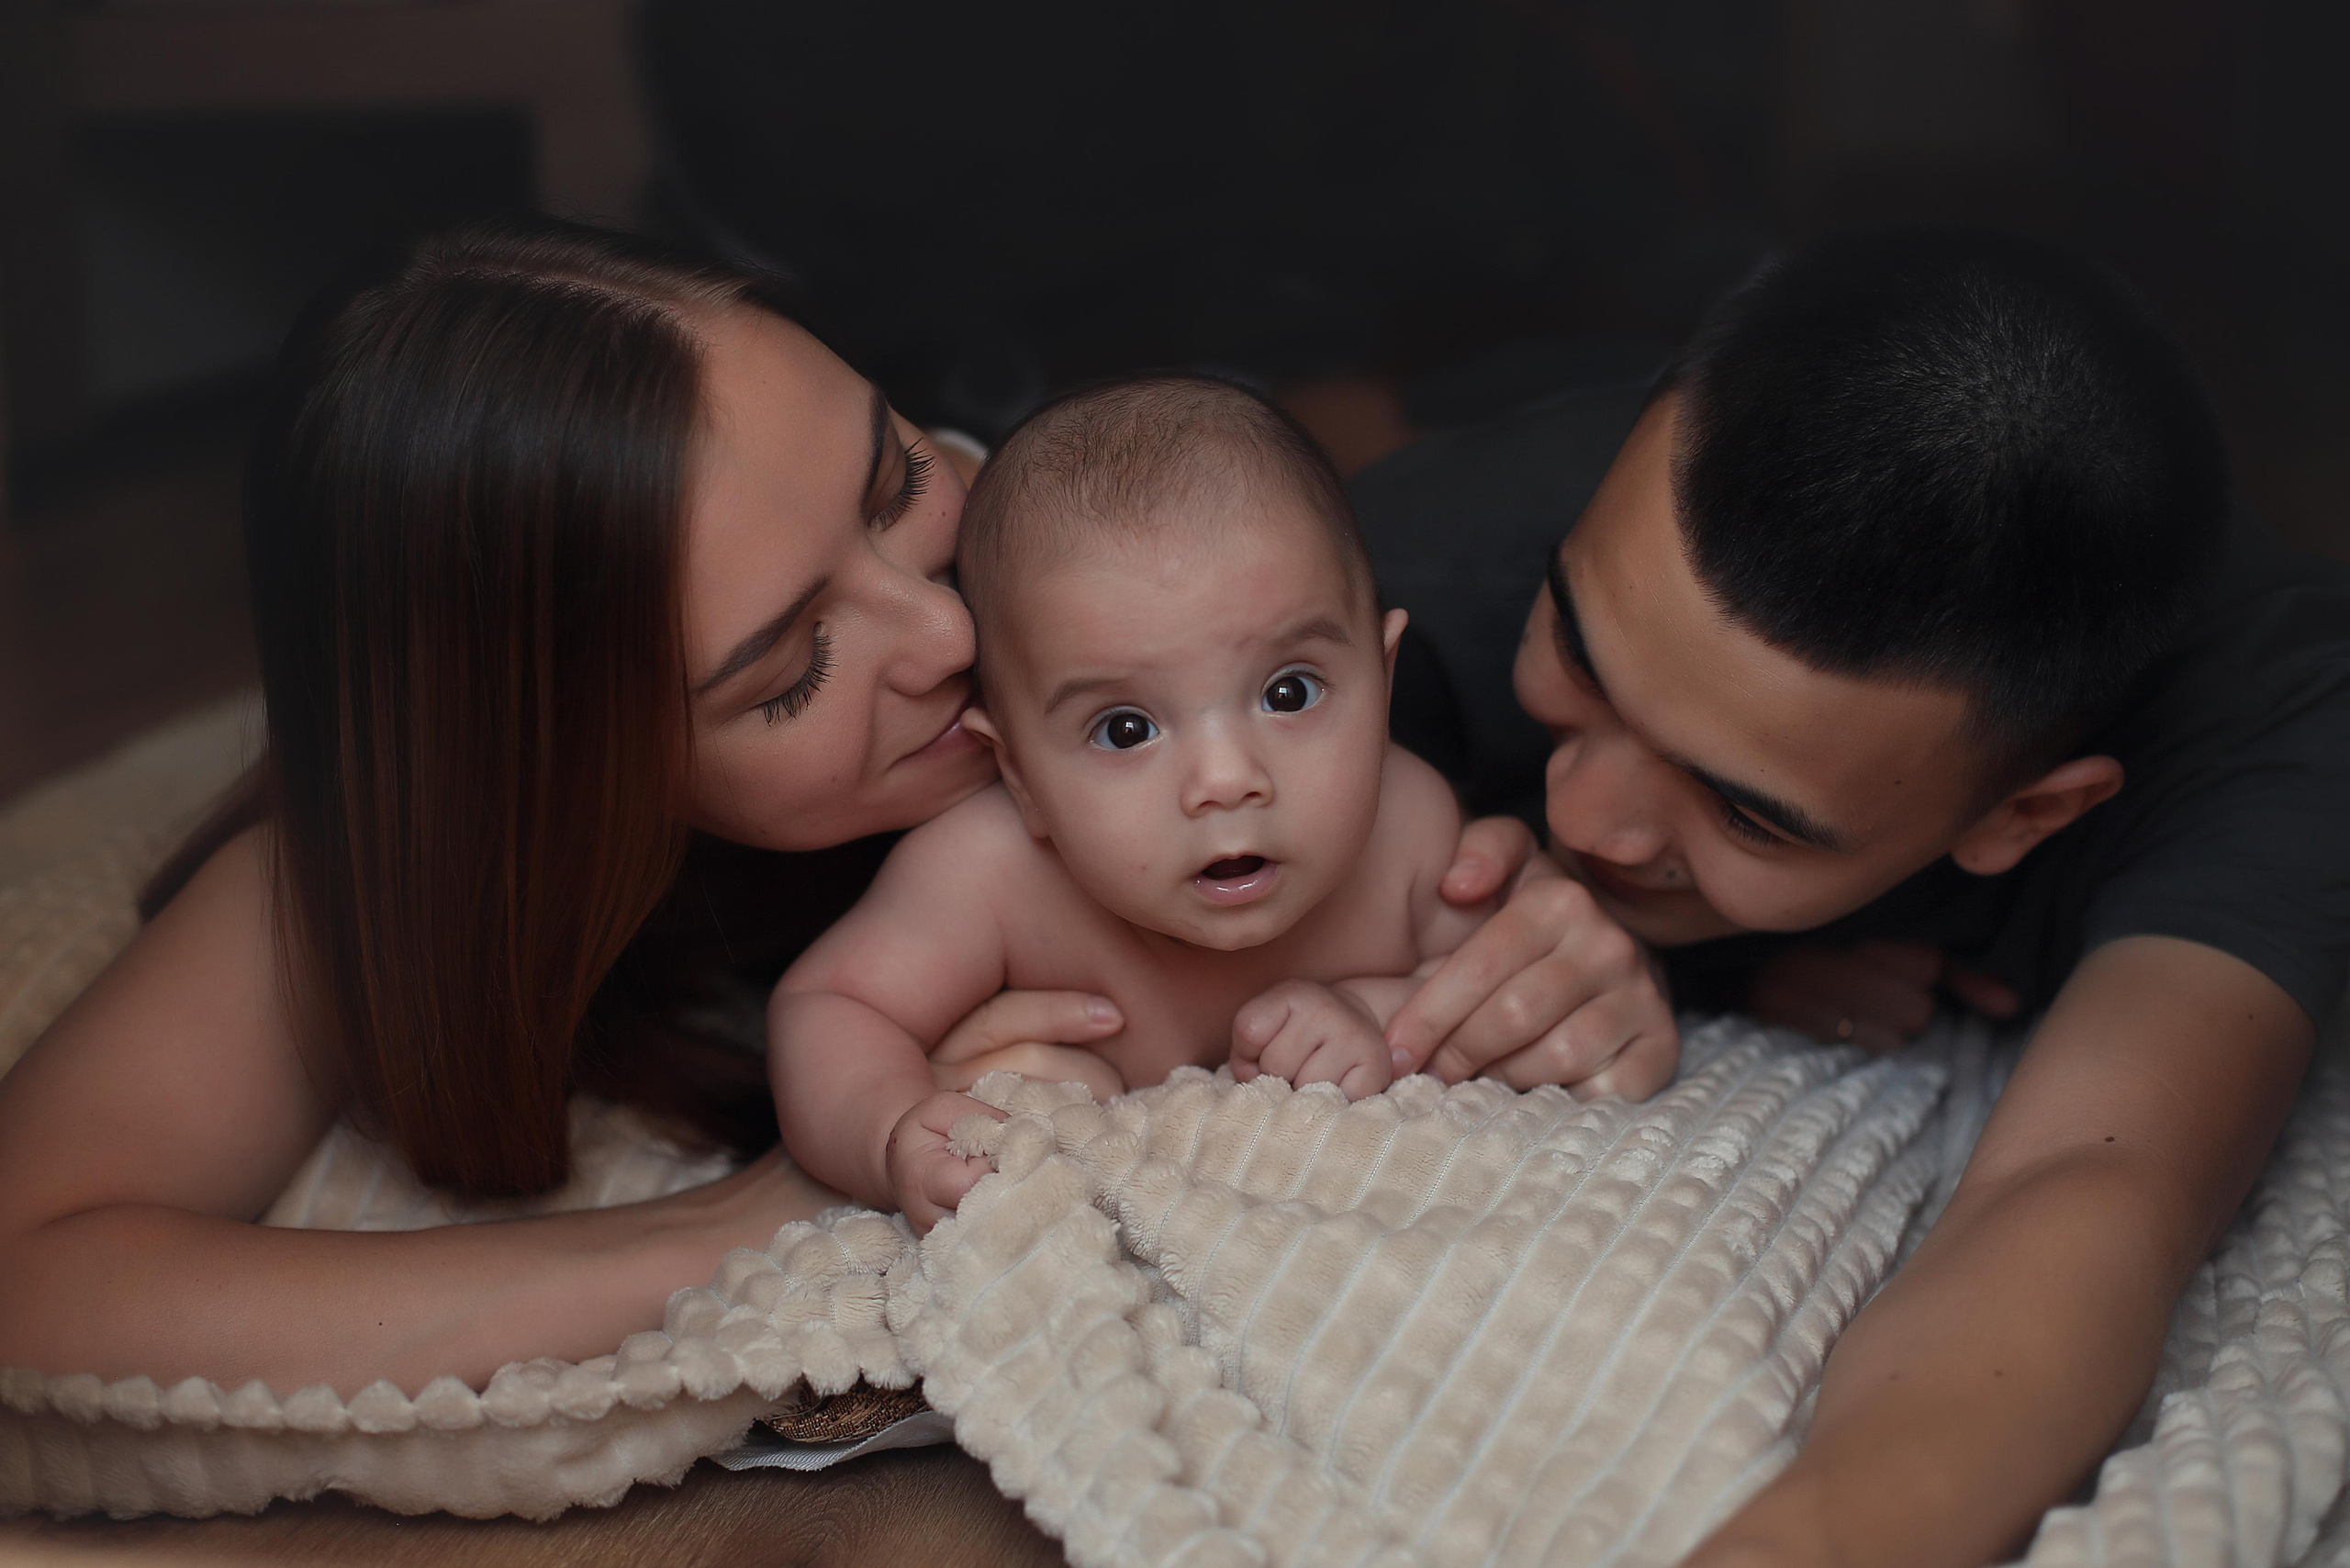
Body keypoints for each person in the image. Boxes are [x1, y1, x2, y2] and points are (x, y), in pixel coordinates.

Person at [0, 219, 1653, 1400]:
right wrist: (749, 1215)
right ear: (569, 778)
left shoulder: (1159, 571)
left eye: (895, 478)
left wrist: (1615, 921)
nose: (945, 635)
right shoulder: (371, 873)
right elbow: (31, 1270)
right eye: (789, 668)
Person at [1352, 226, 2350, 1566]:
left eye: (1745, 811)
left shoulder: (2277, 731)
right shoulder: (1452, 548)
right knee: (1349, 404)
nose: (1587, 815)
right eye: (1579, 661)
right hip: (1510, 402)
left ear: (2025, 815)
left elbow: (2087, 1185)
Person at [773, 377, 1670, 1226]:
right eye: (1124, 730)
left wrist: (1377, 1011)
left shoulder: (1408, 828)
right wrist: (891, 1129)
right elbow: (831, 1006)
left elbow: (1531, 998)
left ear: (1382, 682)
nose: (1226, 778)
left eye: (1289, 693)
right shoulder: (989, 872)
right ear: (1019, 777)